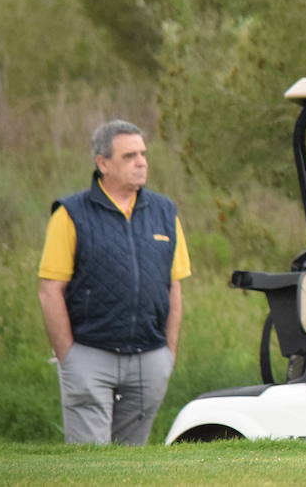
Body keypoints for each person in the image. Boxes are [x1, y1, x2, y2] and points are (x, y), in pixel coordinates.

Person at [37, 120, 190, 445]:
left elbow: (173, 287)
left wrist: (168, 353)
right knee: (90, 464)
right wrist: (69, 356)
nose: (141, 162)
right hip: (90, 354)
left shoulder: (165, 212)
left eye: (143, 154)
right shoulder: (70, 214)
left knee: (129, 463)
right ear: (103, 163)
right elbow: (50, 290)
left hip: (150, 358)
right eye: (129, 156)